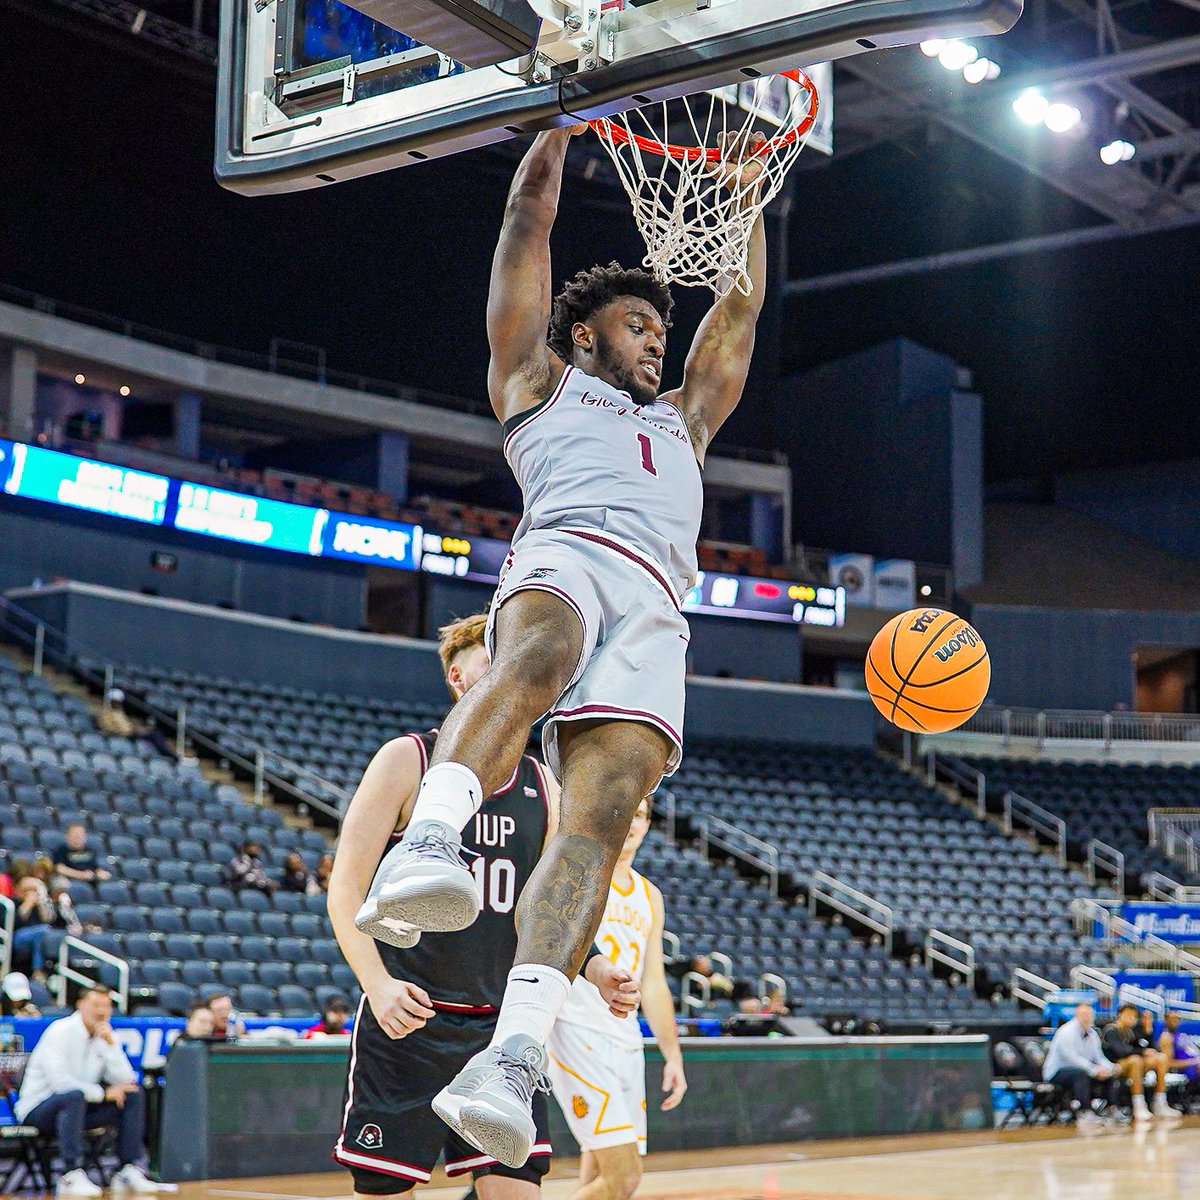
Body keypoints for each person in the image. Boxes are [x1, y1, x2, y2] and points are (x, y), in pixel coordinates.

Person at [358, 124, 767, 1168]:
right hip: (568, 556)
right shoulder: (538, 383)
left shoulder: (688, 422)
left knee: (596, 825)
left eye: (658, 330)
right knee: (535, 657)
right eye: (637, 325)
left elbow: (742, 307)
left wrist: (751, 191)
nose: (655, 342)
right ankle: (431, 841)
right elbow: (526, 221)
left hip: (657, 611)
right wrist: (557, 123)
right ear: (584, 336)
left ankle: (514, 1057)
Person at [330, 613, 640, 1199]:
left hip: (502, 1035)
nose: (513, 670)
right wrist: (376, 983)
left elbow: (547, 906)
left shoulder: (544, 783)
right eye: (494, 658)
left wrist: (595, 969)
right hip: (410, 1023)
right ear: (457, 676)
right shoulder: (406, 760)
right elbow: (346, 889)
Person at [547, 795, 685, 1200]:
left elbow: (654, 982)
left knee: (599, 1178)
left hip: (625, 1040)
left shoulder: (649, 895)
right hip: (575, 1031)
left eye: (640, 814)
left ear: (647, 824)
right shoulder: (577, 875)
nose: (632, 823)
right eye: (624, 811)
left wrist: (672, 1054)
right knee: (625, 1177)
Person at [15, 984, 160, 1197]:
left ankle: (127, 1169)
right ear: (80, 1005)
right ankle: (70, 1174)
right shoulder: (60, 1031)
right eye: (96, 1005)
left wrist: (111, 1046)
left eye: (107, 1006)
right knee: (73, 1097)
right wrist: (103, 1094)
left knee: (133, 1094)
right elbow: (61, 1084)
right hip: (38, 1110)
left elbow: (126, 1080)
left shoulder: (106, 1035)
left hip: (79, 1109)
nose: (101, 1011)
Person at [1042, 1003, 1117, 1128]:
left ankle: (1110, 1109)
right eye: (1084, 1014)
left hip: (1082, 1069)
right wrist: (1094, 1070)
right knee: (1080, 1075)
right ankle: (1085, 1111)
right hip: (1057, 1071)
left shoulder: (1092, 1034)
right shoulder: (1065, 1032)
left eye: (1089, 1014)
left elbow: (1099, 1057)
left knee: (1110, 1075)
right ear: (1076, 1015)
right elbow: (1072, 1059)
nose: (1087, 1017)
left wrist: (1111, 1068)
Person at [1101, 1003, 1177, 1121]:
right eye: (1128, 1015)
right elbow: (1121, 1051)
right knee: (1135, 1060)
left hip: (1132, 1064)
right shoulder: (1111, 1030)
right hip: (1112, 1065)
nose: (1131, 1018)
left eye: (1134, 1016)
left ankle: (1160, 1102)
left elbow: (1147, 1047)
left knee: (1161, 1058)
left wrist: (1148, 1031)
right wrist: (1142, 1052)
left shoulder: (1131, 1032)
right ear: (1120, 1015)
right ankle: (1139, 1105)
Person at [12, 875, 55, 979]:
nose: (31, 893)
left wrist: (41, 903)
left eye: (34, 890)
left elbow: (49, 920)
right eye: (28, 890)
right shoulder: (13, 902)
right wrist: (28, 904)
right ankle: (38, 971)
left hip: (37, 937)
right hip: (15, 937)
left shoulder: (38, 905)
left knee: (46, 932)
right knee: (43, 930)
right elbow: (14, 922)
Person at [1158, 1011, 1200, 1088]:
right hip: (1186, 1069)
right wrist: (1193, 1062)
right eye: (1172, 1019)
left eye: (1177, 1018)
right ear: (1166, 1020)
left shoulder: (1179, 1035)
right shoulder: (1166, 1037)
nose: (1175, 1021)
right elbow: (1168, 1063)